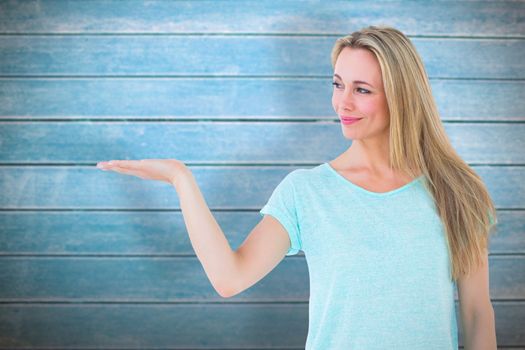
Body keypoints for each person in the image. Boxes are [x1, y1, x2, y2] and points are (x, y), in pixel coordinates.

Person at [96, 25, 498, 349]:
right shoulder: (306, 192)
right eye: (338, 84)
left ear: (403, 97)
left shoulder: (456, 190)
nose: (343, 103)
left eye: (362, 90)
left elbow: (477, 314)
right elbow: (229, 277)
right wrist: (181, 180)